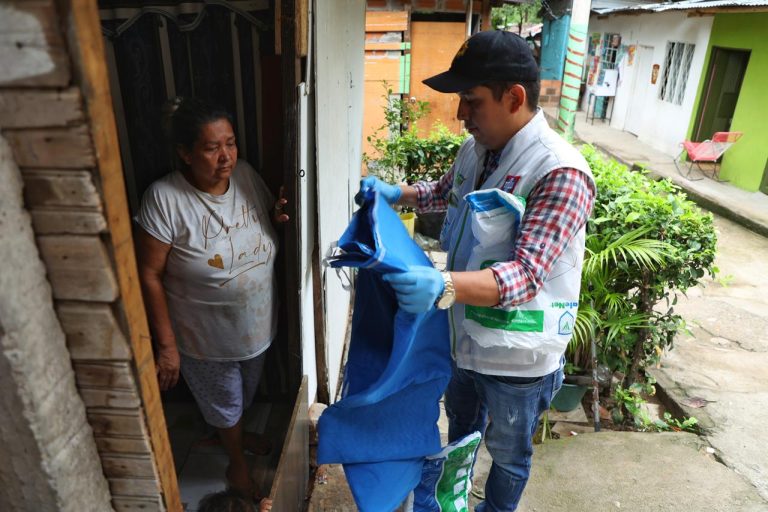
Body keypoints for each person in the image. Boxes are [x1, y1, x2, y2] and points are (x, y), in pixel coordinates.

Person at [358, 31, 595, 511]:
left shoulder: (559, 172)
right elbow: (446, 192)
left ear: (515, 98)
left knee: (507, 455)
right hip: (466, 341)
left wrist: (441, 284)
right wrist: (395, 193)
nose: (461, 115)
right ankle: (455, 499)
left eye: (472, 101)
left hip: (518, 362)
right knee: (461, 432)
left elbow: (526, 276)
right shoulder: (479, 147)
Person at [135, 97, 289, 502]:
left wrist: (278, 218)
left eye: (231, 143)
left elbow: (262, 222)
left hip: (256, 325)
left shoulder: (246, 176)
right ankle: (236, 463)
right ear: (185, 154)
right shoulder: (164, 199)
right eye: (211, 147)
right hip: (203, 336)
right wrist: (167, 346)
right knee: (224, 402)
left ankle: (230, 435)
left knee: (241, 395)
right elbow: (148, 274)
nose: (226, 157)